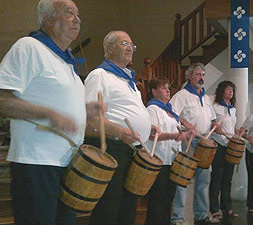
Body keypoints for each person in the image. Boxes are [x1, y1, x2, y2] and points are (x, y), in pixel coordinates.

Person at [0, 0, 104, 224]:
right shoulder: (28, 46)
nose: (78, 19)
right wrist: (48, 113)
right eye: (69, 14)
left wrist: (86, 110)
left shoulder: (66, 62)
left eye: (78, 15)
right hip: (36, 162)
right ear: (48, 19)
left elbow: (59, 103)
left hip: (67, 164)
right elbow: (3, 100)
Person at [84, 30, 157, 225]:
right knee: (109, 208)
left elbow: (125, 112)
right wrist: (119, 131)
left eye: (131, 45)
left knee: (127, 207)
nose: (129, 48)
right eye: (123, 43)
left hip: (130, 149)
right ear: (108, 48)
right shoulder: (100, 75)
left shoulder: (128, 80)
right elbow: (90, 117)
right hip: (111, 148)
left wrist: (145, 128)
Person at [170, 63, 220, 224]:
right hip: (188, 142)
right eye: (198, 74)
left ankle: (201, 214)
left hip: (204, 142)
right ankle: (177, 217)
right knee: (183, 180)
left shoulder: (205, 98)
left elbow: (211, 118)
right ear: (190, 76)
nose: (201, 78)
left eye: (203, 75)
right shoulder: (181, 95)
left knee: (203, 181)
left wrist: (215, 125)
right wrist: (186, 123)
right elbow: (171, 114)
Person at [144, 77, 194, 225]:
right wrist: (173, 136)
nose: (168, 91)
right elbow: (152, 135)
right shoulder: (152, 109)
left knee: (168, 200)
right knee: (157, 201)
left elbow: (175, 130)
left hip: (172, 160)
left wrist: (186, 132)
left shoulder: (170, 111)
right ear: (154, 91)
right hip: (158, 161)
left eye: (168, 88)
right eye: (163, 88)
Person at [209, 81, 239, 220]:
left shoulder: (233, 109)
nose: (230, 92)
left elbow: (231, 127)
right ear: (221, 91)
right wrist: (214, 124)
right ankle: (214, 208)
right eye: (227, 89)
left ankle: (226, 207)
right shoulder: (214, 106)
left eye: (232, 90)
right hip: (219, 144)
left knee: (228, 178)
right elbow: (210, 122)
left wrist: (238, 132)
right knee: (217, 177)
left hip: (230, 145)